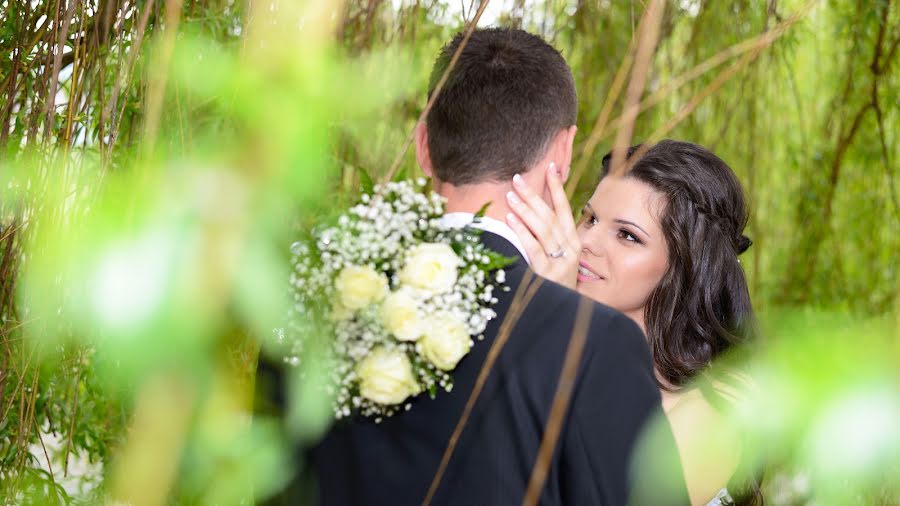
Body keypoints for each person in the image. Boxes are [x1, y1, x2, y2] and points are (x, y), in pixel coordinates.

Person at [299, 28, 689, 505]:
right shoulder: (593, 344)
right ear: (563, 154)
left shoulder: (310, 302)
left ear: (423, 144)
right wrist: (563, 313)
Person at [505, 140, 759, 505]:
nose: (585, 241)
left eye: (627, 235)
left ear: (685, 268)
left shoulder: (716, 404)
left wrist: (560, 322)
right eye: (589, 218)